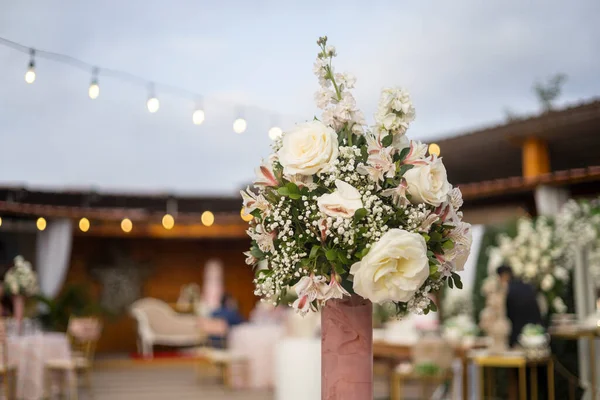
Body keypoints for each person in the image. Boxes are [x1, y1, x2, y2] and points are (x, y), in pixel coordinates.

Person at [497, 265, 543, 347]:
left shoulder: (507, 290)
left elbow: (506, 315)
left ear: (503, 276)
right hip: (537, 333)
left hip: (517, 335)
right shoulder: (527, 286)